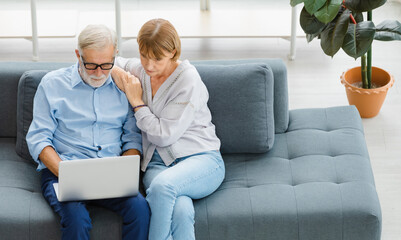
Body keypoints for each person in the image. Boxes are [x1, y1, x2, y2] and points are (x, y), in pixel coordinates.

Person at [26, 24, 150, 240]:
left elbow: (132, 138)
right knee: (76, 219)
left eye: (106, 64)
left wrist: (124, 172)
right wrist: (64, 172)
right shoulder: (52, 85)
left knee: (141, 210)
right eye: (91, 65)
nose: (99, 73)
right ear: (78, 55)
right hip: (62, 172)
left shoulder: (124, 87)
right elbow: (39, 138)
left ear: (115, 55)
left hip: (111, 173)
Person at [112, 18, 225, 240]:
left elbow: (163, 135)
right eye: (143, 55)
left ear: (173, 52)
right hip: (156, 165)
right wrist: (122, 75)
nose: (148, 65)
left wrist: (137, 103)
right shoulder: (141, 71)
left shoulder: (187, 80)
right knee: (181, 211)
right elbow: (113, 62)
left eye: (157, 59)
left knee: (162, 188)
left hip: (201, 160)